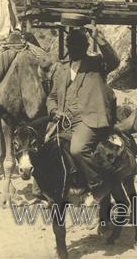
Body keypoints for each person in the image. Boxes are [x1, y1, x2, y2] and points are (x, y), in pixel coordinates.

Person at [46, 25, 120, 202]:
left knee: (78, 149)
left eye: (77, 45)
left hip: (89, 119)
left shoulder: (96, 64)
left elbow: (114, 61)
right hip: (65, 120)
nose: (73, 49)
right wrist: (54, 110)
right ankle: (51, 191)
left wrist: (98, 38)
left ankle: (98, 185)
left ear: (85, 46)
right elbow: (52, 96)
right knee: (45, 149)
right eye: (70, 45)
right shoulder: (61, 69)